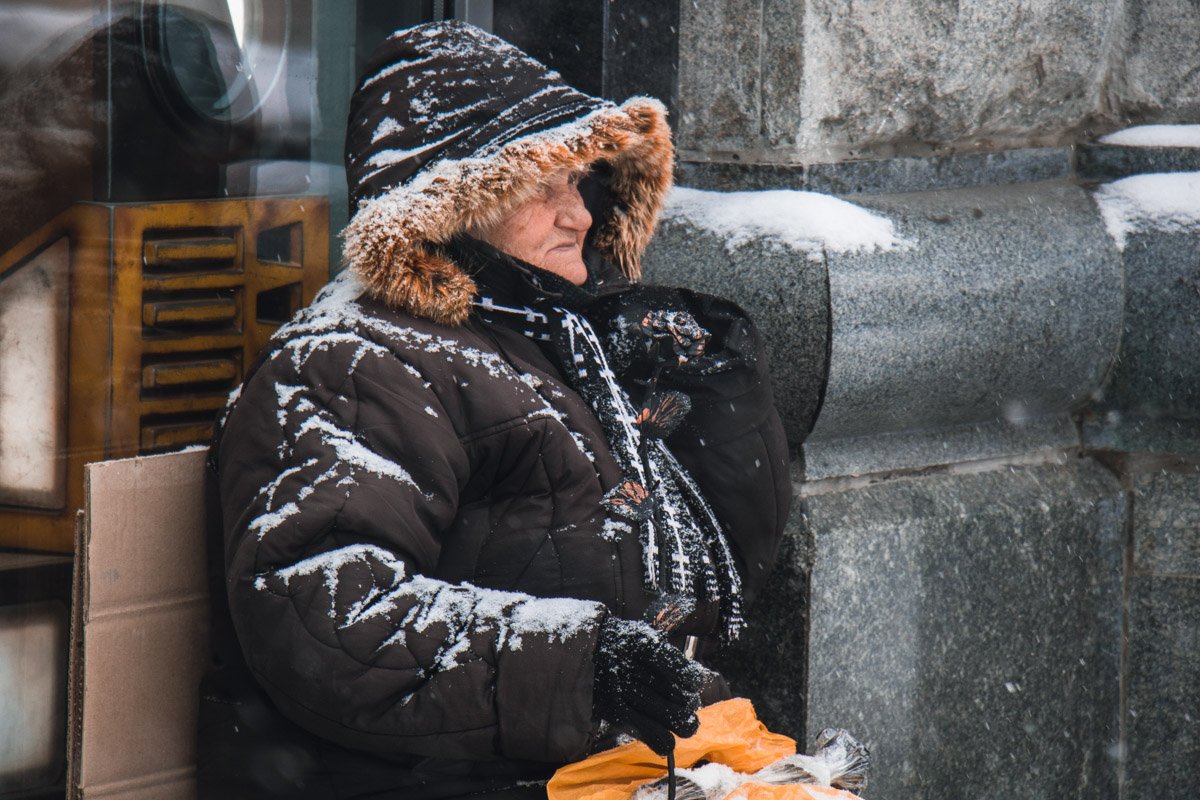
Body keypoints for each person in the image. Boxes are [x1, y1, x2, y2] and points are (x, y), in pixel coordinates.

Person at [199, 21, 791, 800]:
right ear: (450, 208)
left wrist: (714, 379)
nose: (578, 213)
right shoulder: (351, 360)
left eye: (580, 183)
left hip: (597, 769)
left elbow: (731, 574)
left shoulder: (547, 340)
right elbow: (322, 608)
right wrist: (579, 665)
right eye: (543, 186)